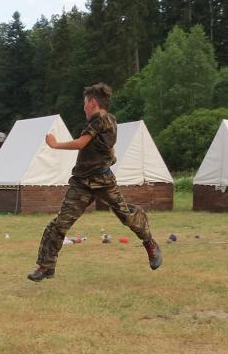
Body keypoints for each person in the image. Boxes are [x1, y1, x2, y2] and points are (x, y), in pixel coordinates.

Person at [27, 83, 162, 281]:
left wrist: (55, 145)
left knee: (126, 216)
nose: (83, 108)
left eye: (84, 103)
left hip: (103, 181)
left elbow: (81, 143)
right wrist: (109, 156)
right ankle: (45, 266)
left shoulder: (101, 118)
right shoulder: (108, 122)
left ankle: (150, 243)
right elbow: (107, 147)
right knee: (60, 224)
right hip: (82, 183)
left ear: (92, 103)